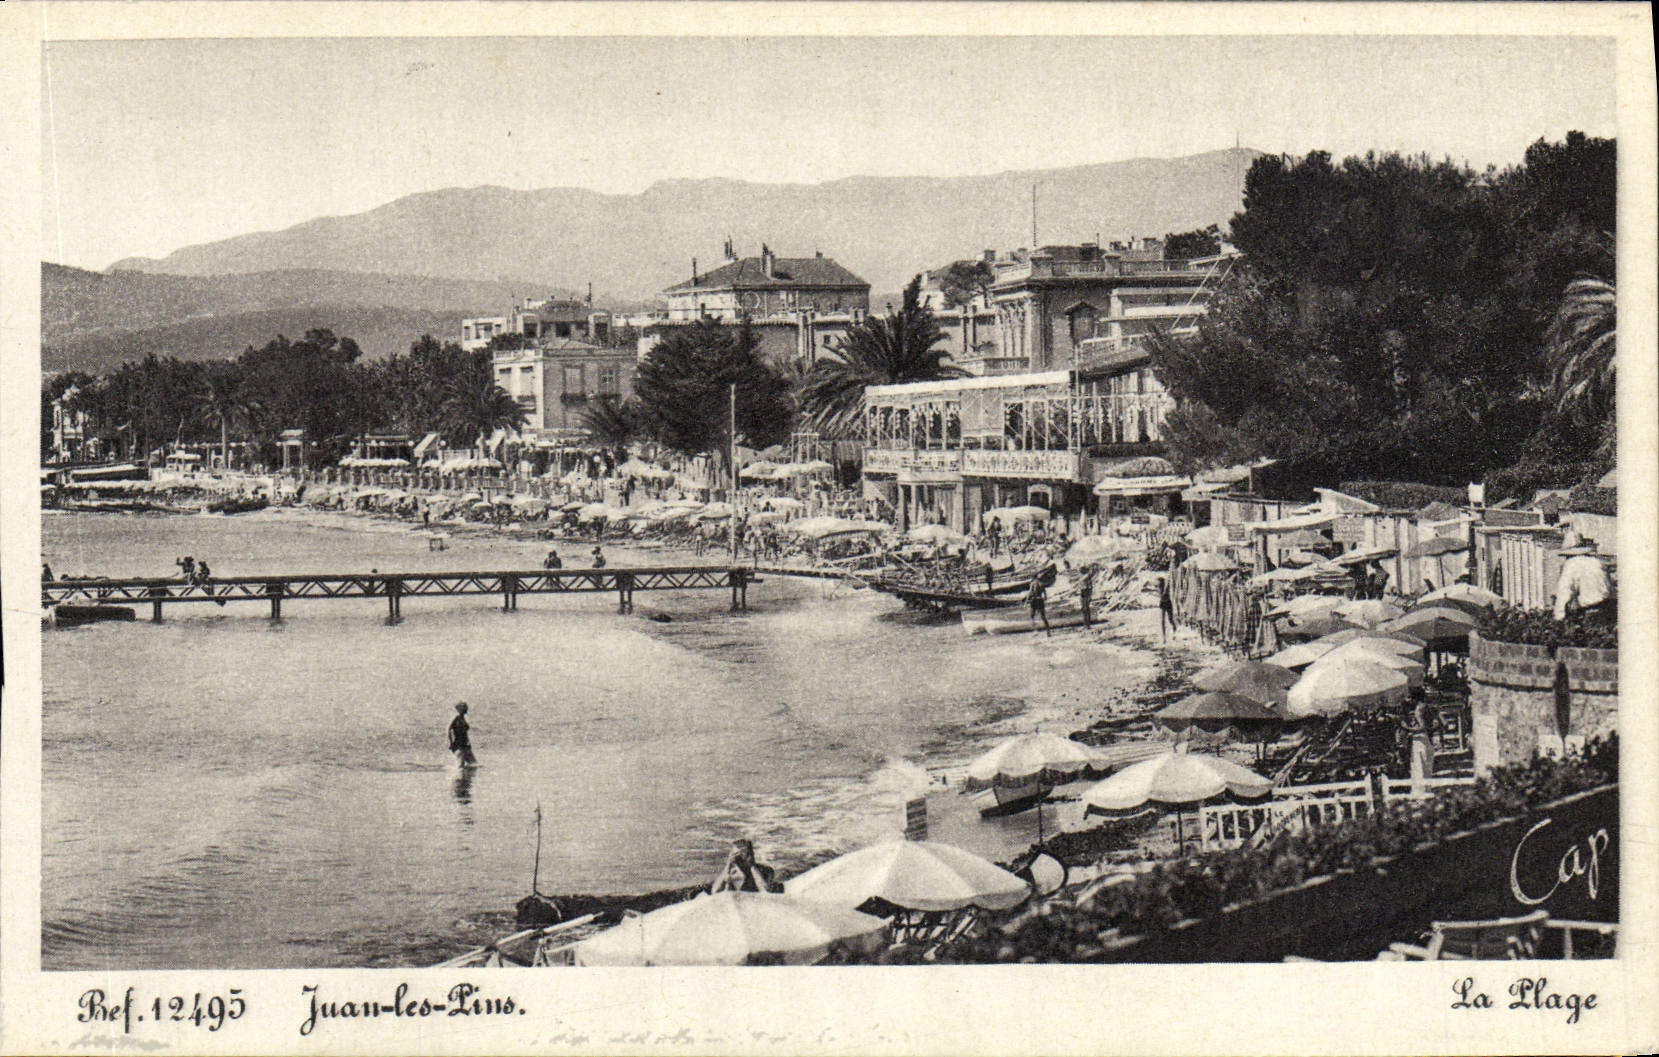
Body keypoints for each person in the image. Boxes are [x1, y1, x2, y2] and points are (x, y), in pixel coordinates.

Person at [710, 839, 781, 894]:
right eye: (736, 855)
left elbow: (766, 893)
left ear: (751, 855)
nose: (739, 858)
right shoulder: (728, 873)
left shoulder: (765, 871)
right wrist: (728, 864)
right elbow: (714, 891)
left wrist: (752, 866)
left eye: (743, 854)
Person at [447, 702, 477, 767]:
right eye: (463, 708)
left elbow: (465, 733)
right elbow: (449, 730)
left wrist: (468, 742)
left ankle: (465, 773)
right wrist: (451, 743)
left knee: (473, 764)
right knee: (461, 765)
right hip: (459, 744)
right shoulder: (456, 718)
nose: (465, 710)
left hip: (465, 744)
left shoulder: (462, 718)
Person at [1026, 572, 1051, 636]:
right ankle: (1048, 631)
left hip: (1034, 600)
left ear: (1032, 577)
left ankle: (1035, 631)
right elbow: (1045, 595)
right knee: (1043, 617)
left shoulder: (1032, 583)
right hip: (1040, 600)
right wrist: (1044, 598)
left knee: (1032, 616)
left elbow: (1030, 592)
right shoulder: (1041, 583)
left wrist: (1026, 601)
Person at [1078, 564, 1095, 629]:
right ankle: (1085, 624)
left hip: (1086, 593)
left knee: (1086, 609)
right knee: (1084, 609)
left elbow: (1090, 587)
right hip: (1082, 593)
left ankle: (1087, 625)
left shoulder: (1087, 577)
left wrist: (1089, 596)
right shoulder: (1082, 577)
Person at [1158, 574, 1175, 641]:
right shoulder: (1160, 589)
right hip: (1163, 603)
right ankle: (1164, 636)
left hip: (1168, 603)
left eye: (1159, 584)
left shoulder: (1166, 589)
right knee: (1162, 620)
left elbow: (1163, 595)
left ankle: (1174, 630)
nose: (1158, 586)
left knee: (1170, 620)